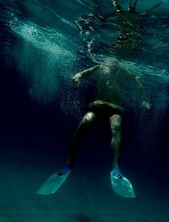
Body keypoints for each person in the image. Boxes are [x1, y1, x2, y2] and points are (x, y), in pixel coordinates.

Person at [37, 59, 150, 198]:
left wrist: (143, 99)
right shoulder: (101, 67)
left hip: (115, 109)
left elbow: (138, 85)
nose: (115, 63)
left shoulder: (125, 73)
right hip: (97, 106)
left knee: (116, 127)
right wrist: (77, 76)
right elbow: (85, 73)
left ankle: (115, 167)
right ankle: (69, 163)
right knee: (84, 123)